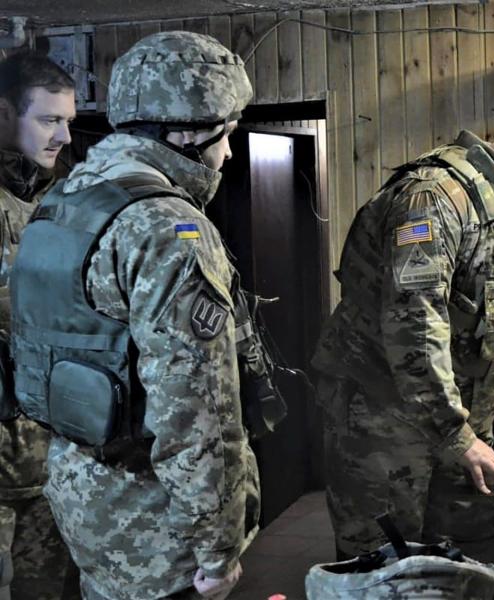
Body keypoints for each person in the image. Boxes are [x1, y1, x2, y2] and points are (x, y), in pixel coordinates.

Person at [312, 86, 494, 560]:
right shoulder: (433, 198)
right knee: (383, 556)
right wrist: (455, 432)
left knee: (459, 547)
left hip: (464, 413)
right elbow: (415, 324)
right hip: (381, 411)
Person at [9, 32, 260, 600]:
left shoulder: (69, 197)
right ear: (190, 134)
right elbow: (195, 408)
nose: (229, 153)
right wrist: (217, 547)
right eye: (228, 133)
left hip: (82, 496)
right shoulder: (167, 227)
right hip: (155, 526)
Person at [0, 51, 78, 600]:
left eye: (68, 121)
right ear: (4, 113)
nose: (65, 137)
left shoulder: (66, 200)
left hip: (54, 459)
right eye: (49, 120)